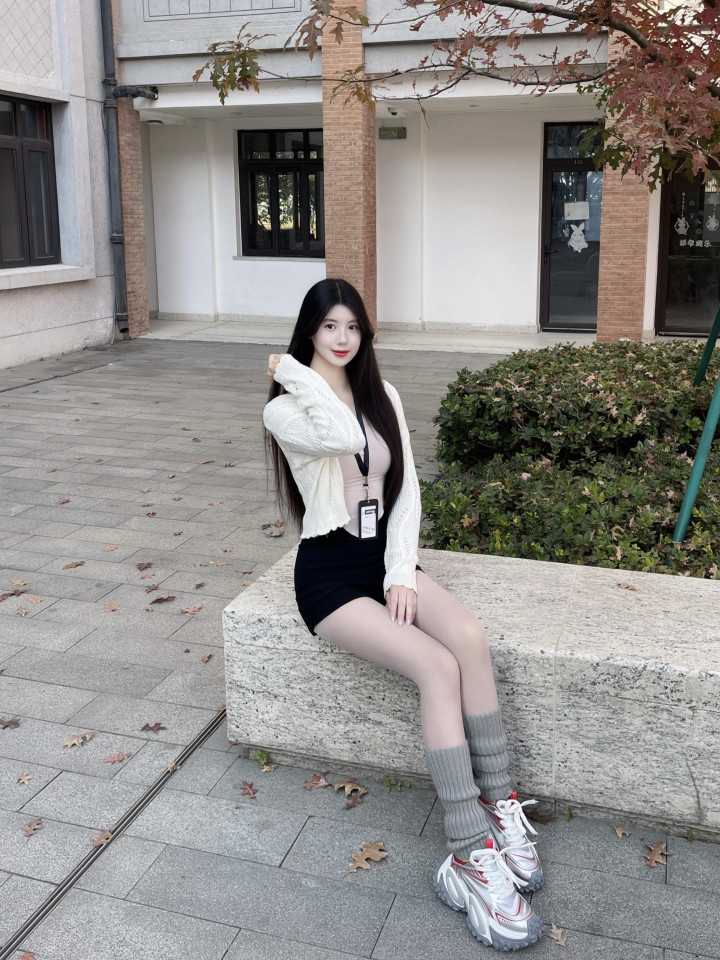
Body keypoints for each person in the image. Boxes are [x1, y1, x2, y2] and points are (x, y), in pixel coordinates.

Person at [263, 278, 548, 952]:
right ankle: (468, 855)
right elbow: (338, 436)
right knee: (434, 666)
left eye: (352, 327)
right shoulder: (287, 408)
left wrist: (398, 572)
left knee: (468, 637)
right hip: (330, 578)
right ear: (309, 332)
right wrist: (295, 374)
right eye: (328, 326)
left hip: (382, 562)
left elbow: (406, 492)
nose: (342, 338)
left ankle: (498, 803)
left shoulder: (383, 395)